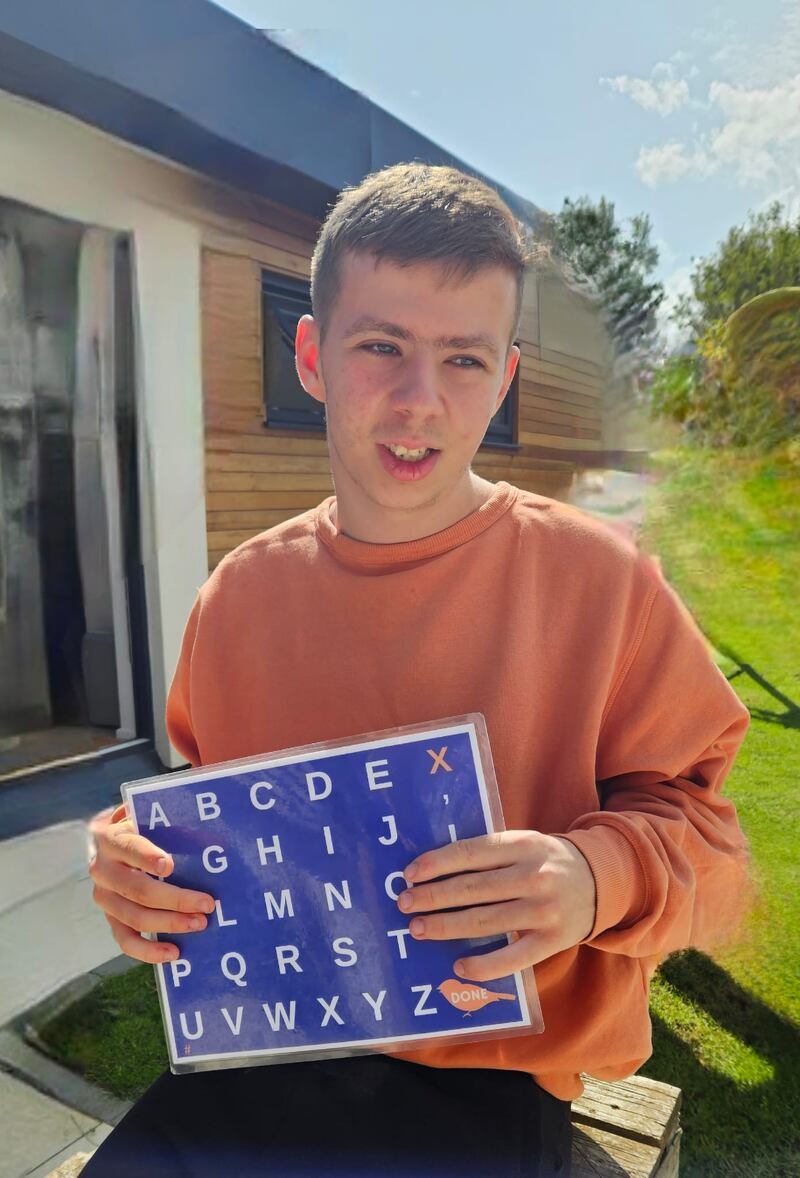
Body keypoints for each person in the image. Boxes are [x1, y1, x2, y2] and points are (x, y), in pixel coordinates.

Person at [84, 163, 753, 1177]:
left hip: (486, 1077)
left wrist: (591, 876)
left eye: (463, 360)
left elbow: (714, 849)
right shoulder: (238, 596)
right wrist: (134, 862)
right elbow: (202, 797)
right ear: (311, 355)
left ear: (505, 378)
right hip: (261, 1047)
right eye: (381, 346)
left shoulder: (601, 579)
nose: (418, 402)